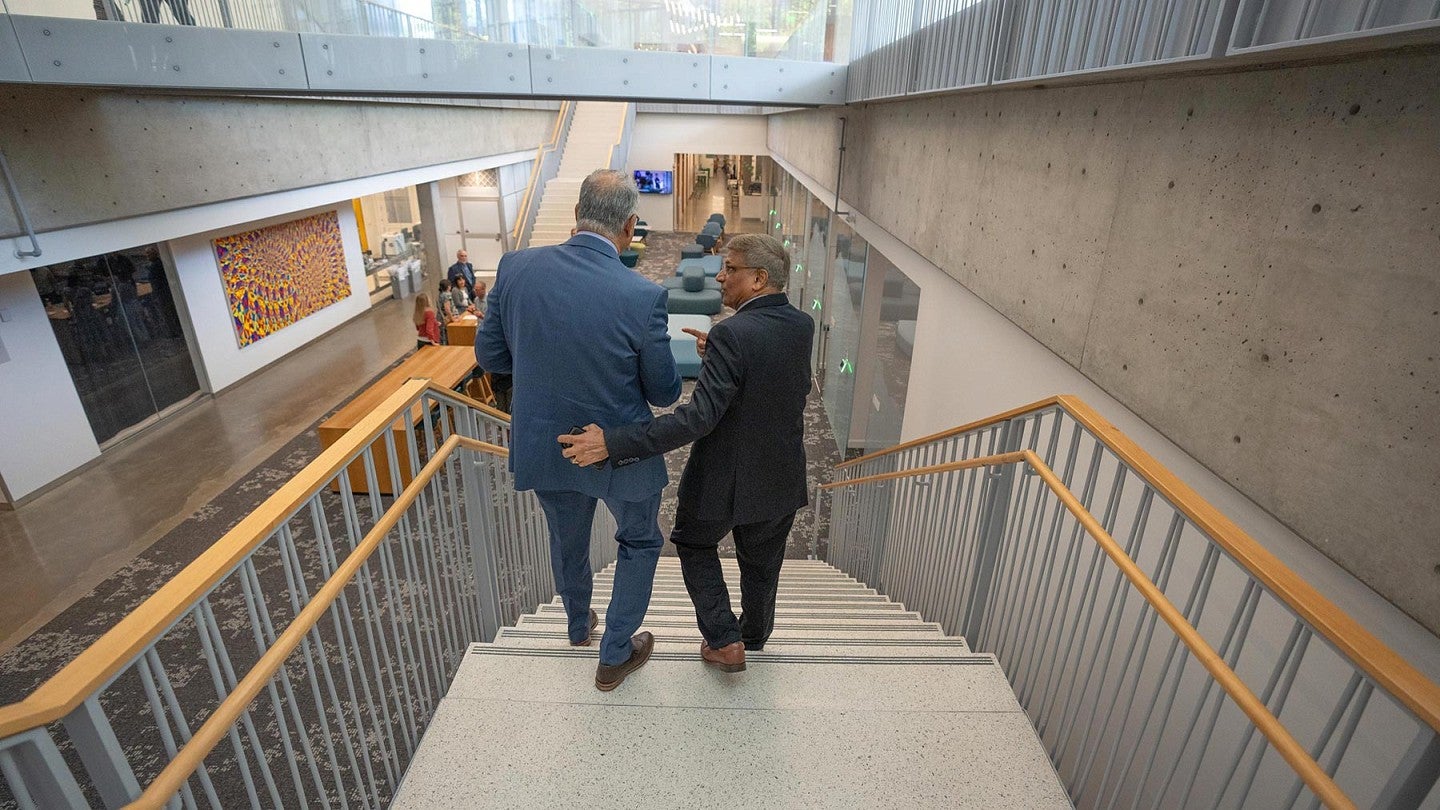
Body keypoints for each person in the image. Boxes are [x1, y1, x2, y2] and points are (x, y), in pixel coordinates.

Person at [558, 233, 813, 674]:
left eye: (730, 268)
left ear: (759, 278)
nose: (720, 276)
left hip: (724, 478)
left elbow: (698, 419)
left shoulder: (732, 332)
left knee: (693, 544)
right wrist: (718, 359)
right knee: (762, 563)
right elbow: (783, 382)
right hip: (782, 475)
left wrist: (613, 442)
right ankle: (753, 635)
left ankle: (724, 640)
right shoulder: (801, 324)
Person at [477, 169, 680, 691]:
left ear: (576, 214)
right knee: (638, 541)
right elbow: (663, 393)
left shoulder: (515, 267)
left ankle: (576, 623)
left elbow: (491, 355)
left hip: (547, 444)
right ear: (631, 225)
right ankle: (615, 653)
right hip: (620, 452)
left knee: (567, 538)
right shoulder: (643, 296)